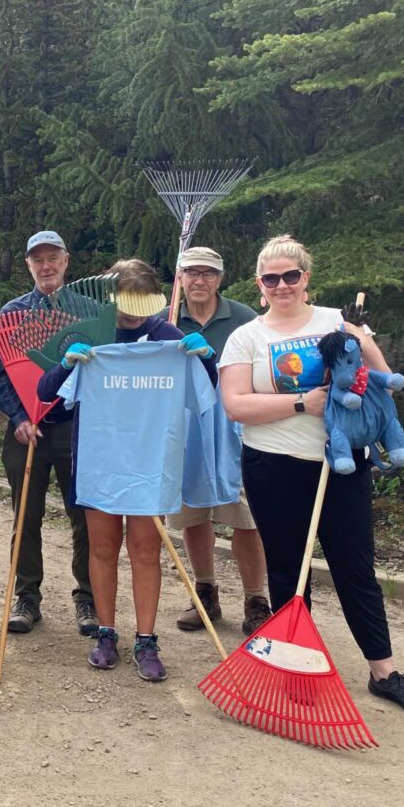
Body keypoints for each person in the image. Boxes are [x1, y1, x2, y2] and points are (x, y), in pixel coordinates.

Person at [219, 234, 404, 714]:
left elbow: (381, 378)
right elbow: (236, 404)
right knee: (289, 570)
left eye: (291, 275)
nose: (281, 285)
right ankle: (294, 663)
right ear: (260, 284)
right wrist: (304, 402)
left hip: (341, 463)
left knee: (354, 566)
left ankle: (383, 671)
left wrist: (361, 358)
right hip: (273, 466)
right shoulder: (247, 336)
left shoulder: (339, 322)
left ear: (306, 278)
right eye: (271, 278)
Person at [38, 259, 217, 681]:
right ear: (110, 297)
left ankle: (146, 639)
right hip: (100, 461)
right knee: (102, 547)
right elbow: (46, 395)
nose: (133, 311)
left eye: (142, 301)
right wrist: (66, 363)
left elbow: (207, 391)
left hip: (150, 463)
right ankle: (106, 632)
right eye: (125, 300)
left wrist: (206, 359)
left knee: (144, 548)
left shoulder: (169, 340)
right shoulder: (92, 334)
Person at [0, 231, 96, 636]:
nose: (46, 265)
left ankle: (87, 597)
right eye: (38, 260)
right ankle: (27, 596)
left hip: (75, 428)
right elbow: (2, 376)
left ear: (66, 261)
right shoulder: (13, 313)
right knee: (26, 515)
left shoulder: (88, 310)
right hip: (28, 431)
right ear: (29, 265)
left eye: (53, 257)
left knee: (83, 516)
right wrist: (18, 417)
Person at [166, 246, 272, 635]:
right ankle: (205, 595)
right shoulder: (166, 319)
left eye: (207, 273)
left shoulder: (244, 319)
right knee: (194, 514)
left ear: (219, 279)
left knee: (246, 518)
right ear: (180, 278)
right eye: (191, 272)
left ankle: (256, 599)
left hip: (236, 432)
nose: (199, 280)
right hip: (185, 432)